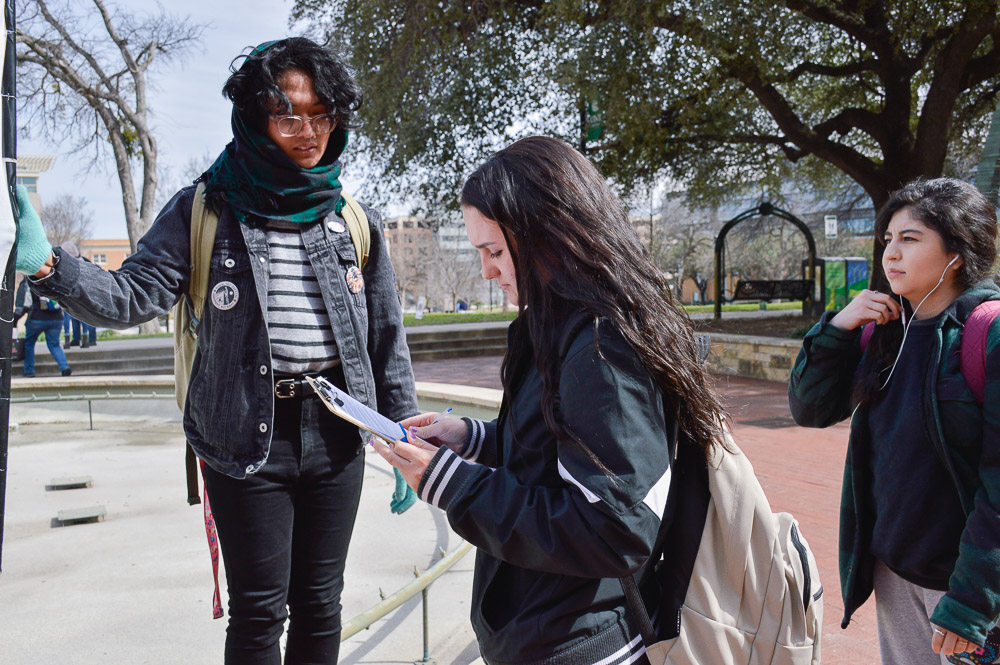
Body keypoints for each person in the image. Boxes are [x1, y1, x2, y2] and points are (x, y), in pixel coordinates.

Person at [13, 37, 418, 664]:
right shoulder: (207, 206)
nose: (308, 132)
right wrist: (50, 268)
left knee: (322, 602)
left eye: (321, 115)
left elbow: (384, 335)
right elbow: (131, 296)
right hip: (244, 435)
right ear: (256, 119)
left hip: (337, 434)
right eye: (288, 115)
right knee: (259, 610)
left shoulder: (349, 217)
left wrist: (402, 437)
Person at [374, 136, 728, 665]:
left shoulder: (601, 346)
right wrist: (473, 439)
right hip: (547, 624)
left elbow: (614, 527)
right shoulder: (558, 326)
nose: (488, 271)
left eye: (495, 251)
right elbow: (561, 450)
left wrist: (454, 485)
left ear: (551, 235)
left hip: (582, 639)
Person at [788, 178, 1000, 665]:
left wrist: (972, 603)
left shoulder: (987, 334)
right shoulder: (883, 334)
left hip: (964, 589)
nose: (891, 255)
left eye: (910, 239)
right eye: (888, 240)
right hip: (894, 571)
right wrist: (838, 328)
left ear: (958, 252)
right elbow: (810, 408)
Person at [13, 277, 72, 377]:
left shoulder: (28, 281)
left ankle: (29, 371)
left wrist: (15, 320)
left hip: (36, 319)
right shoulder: (53, 277)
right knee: (54, 344)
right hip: (56, 318)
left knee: (29, 344)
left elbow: (24, 305)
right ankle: (64, 367)